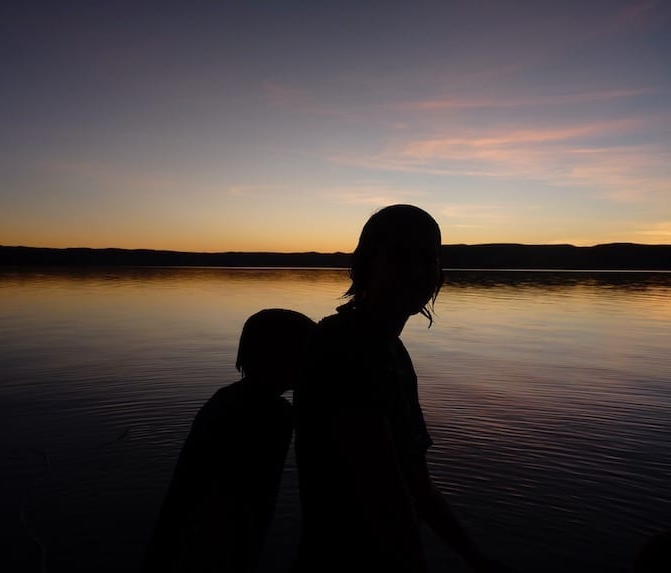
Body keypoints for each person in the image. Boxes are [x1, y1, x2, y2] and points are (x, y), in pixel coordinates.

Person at [294, 205, 508, 572]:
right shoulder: (344, 346)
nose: (417, 272)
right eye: (400, 257)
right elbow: (382, 492)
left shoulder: (392, 353)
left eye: (428, 258)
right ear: (367, 265)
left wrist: (478, 559)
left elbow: (417, 485)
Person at [144, 308, 315, 573]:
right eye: (308, 353)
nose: (315, 363)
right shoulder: (264, 414)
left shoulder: (232, 399)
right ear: (281, 355)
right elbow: (230, 509)